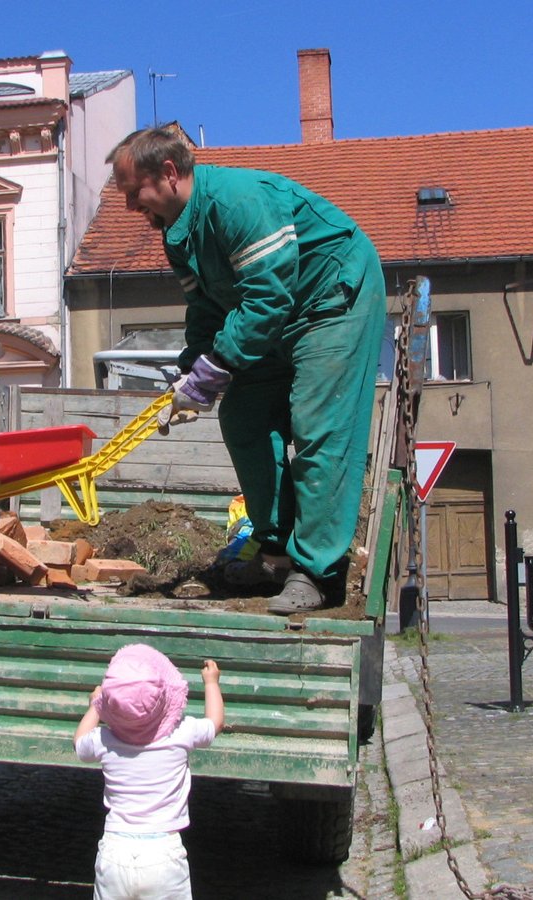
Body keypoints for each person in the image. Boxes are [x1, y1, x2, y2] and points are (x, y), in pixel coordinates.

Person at [106, 128, 386, 614]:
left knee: (318, 424)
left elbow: (267, 298)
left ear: (169, 174)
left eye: (134, 192)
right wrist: (194, 367)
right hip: (275, 315)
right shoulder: (179, 234)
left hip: (332, 299)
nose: (130, 206)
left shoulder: (238, 203)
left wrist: (216, 369)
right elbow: (206, 309)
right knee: (244, 418)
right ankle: (275, 553)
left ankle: (318, 572)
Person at [74, 644, 224, 900]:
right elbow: (215, 723)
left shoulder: (105, 740)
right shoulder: (181, 733)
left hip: (115, 850)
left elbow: (79, 743)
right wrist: (211, 683)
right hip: (163, 854)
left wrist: (96, 706)